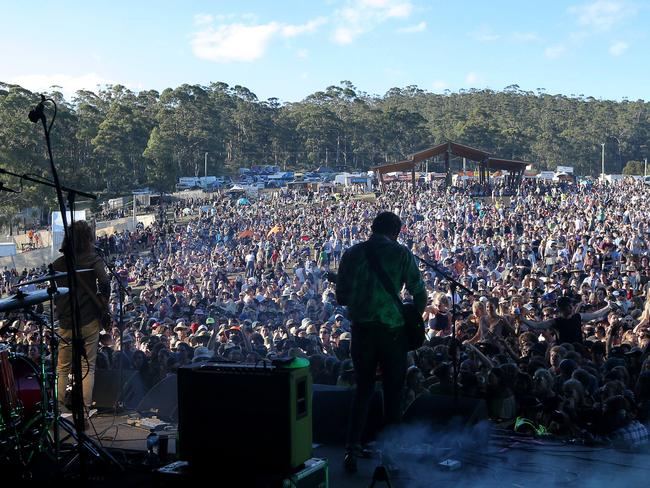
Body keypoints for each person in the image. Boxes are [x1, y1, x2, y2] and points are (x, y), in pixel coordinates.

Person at [336, 211, 426, 473]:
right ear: (396, 232)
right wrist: (414, 319)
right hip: (393, 333)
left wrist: (362, 294)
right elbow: (419, 292)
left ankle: (351, 451)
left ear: (373, 228)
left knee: (363, 390)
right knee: (393, 392)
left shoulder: (352, 254)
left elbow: (341, 297)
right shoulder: (400, 254)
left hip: (362, 332)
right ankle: (391, 455)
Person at [53, 220, 110, 418]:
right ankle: (85, 408)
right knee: (88, 365)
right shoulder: (93, 259)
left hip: (66, 321)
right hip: (88, 319)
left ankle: (59, 409)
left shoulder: (57, 264)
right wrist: (104, 300)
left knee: (62, 368)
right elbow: (104, 281)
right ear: (88, 238)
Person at [518, 296, 610, 344]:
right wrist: (523, 319)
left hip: (578, 351)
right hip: (563, 351)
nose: (572, 307)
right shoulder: (556, 321)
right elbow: (537, 326)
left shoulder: (578, 317)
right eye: (570, 306)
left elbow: (594, 315)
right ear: (563, 308)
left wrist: (608, 307)